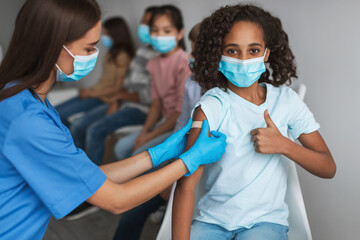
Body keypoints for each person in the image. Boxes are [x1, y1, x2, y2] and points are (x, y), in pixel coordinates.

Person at [0, 1, 227, 239]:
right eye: (89, 49)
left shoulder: (21, 97)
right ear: (53, 46)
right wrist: (189, 160)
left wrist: (158, 153)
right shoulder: (28, 121)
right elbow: (116, 200)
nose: (94, 56)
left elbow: (88, 175)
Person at [172, 4, 337, 240]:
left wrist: (284, 145)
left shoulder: (286, 102)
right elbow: (187, 184)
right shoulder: (211, 107)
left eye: (253, 50)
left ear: (266, 54)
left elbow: (328, 167)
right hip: (211, 222)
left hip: (265, 223)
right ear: (217, 55)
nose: (242, 60)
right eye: (232, 50)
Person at [112, 22, 203, 240]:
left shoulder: (221, 93)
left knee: (140, 209)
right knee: (131, 211)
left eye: (199, 51)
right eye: (193, 50)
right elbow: (182, 121)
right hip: (183, 149)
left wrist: (172, 177)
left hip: (195, 165)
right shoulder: (192, 81)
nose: (193, 56)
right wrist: (169, 153)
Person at [114, 5, 191, 160]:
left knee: (138, 156)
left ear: (180, 33)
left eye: (167, 31)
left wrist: (150, 136)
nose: (160, 36)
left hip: (181, 127)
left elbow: (180, 112)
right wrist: (144, 133)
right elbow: (156, 104)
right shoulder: (153, 63)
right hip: (164, 122)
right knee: (121, 147)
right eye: (155, 30)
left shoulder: (184, 63)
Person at [84, 6, 158, 166]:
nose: (143, 27)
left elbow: (150, 98)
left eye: (148, 24)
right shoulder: (142, 53)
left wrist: (118, 97)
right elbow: (127, 85)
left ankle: (94, 183)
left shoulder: (160, 59)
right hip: (125, 104)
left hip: (140, 110)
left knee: (94, 130)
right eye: (143, 22)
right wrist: (116, 100)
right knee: (85, 126)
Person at [55, 16, 134, 149]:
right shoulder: (111, 53)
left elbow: (117, 87)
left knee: (78, 125)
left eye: (107, 33)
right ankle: (72, 148)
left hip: (103, 98)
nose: (104, 36)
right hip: (95, 94)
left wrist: (92, 93)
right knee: (56, 113)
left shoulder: (122, 56)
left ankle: (77, 155)